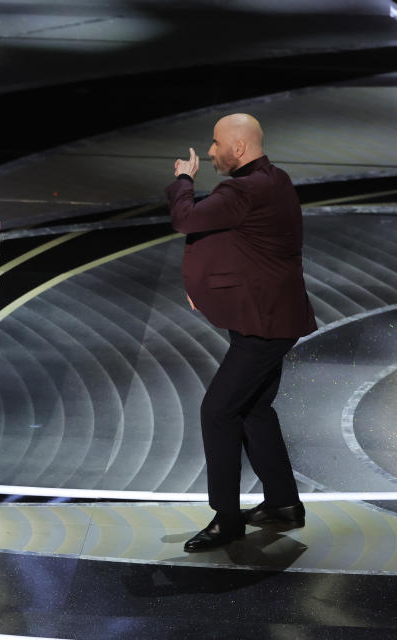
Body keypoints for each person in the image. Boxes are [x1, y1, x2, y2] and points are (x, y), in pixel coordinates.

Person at [166, 113, 317, 552]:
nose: (210, 153)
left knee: (218, 411)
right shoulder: (277, 179)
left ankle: (227, 519)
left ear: (238, 148)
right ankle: (284, 505)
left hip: (264, 324)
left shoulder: (244, 190)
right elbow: (240, 244)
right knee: (252, 409)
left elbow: (187, 219)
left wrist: (182, 180)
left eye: (215, 145)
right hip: (274, 315)